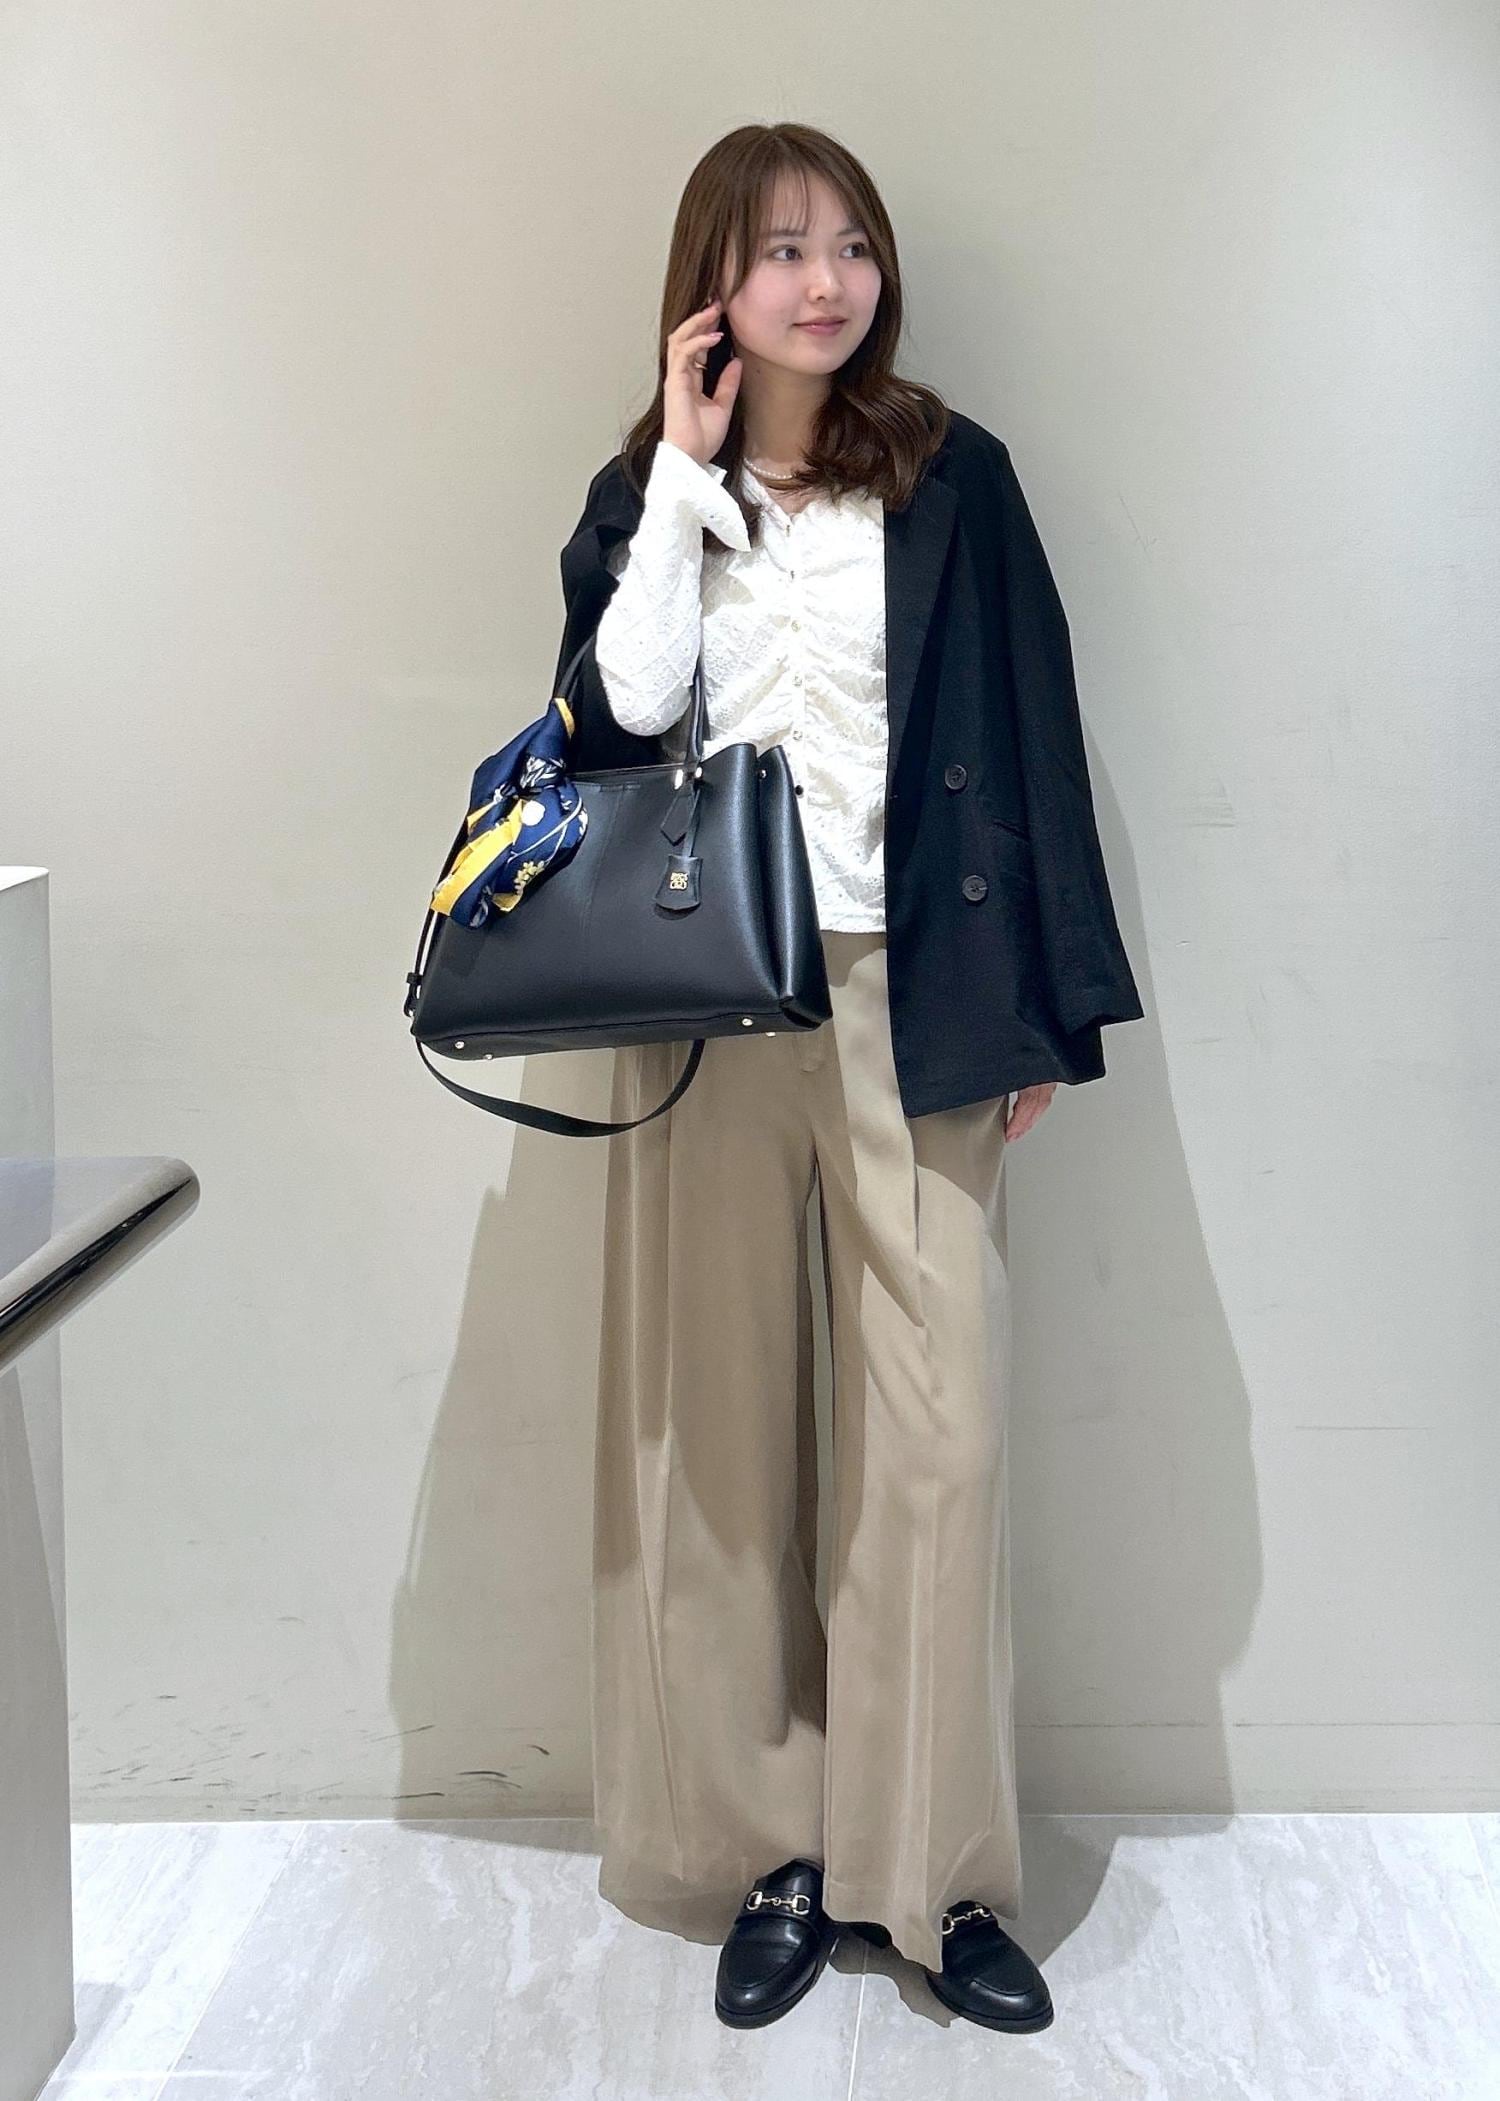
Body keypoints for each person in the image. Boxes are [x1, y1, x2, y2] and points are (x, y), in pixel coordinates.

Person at [555, 122, 1144, 2033]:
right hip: (712, 1005)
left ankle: (931, 1873)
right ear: (711, 287)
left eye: (851, 246)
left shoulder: (957, 476)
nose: (826, 282)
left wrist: (1045, 1006)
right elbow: (617, 715)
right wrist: (679, 474)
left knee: (937, 1439)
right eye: (781, 249)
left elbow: (1037, 731)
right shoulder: (651, 491)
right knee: (718, 1445)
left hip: (922, 995)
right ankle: (775, 1855)